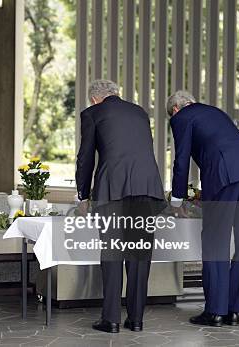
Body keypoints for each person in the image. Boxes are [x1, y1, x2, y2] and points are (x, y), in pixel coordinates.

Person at [167, 90, 239, 327]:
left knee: (216, 241)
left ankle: (215, 311)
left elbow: (181, 159)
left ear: (175, 109)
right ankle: (233, 310)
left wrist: (177, 199)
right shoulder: (215, 112)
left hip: (225, 174)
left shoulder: (181, 118)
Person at [76, 79, 165, 333]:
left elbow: (86, 157)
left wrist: (83, 194)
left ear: (94, 98)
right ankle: (136, 319)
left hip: (112, 188)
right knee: (139, 255)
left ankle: (111, 319)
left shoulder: (93, 113)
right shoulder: (139, 112)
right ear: (117, 94)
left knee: (113, 252)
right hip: (147, 186)